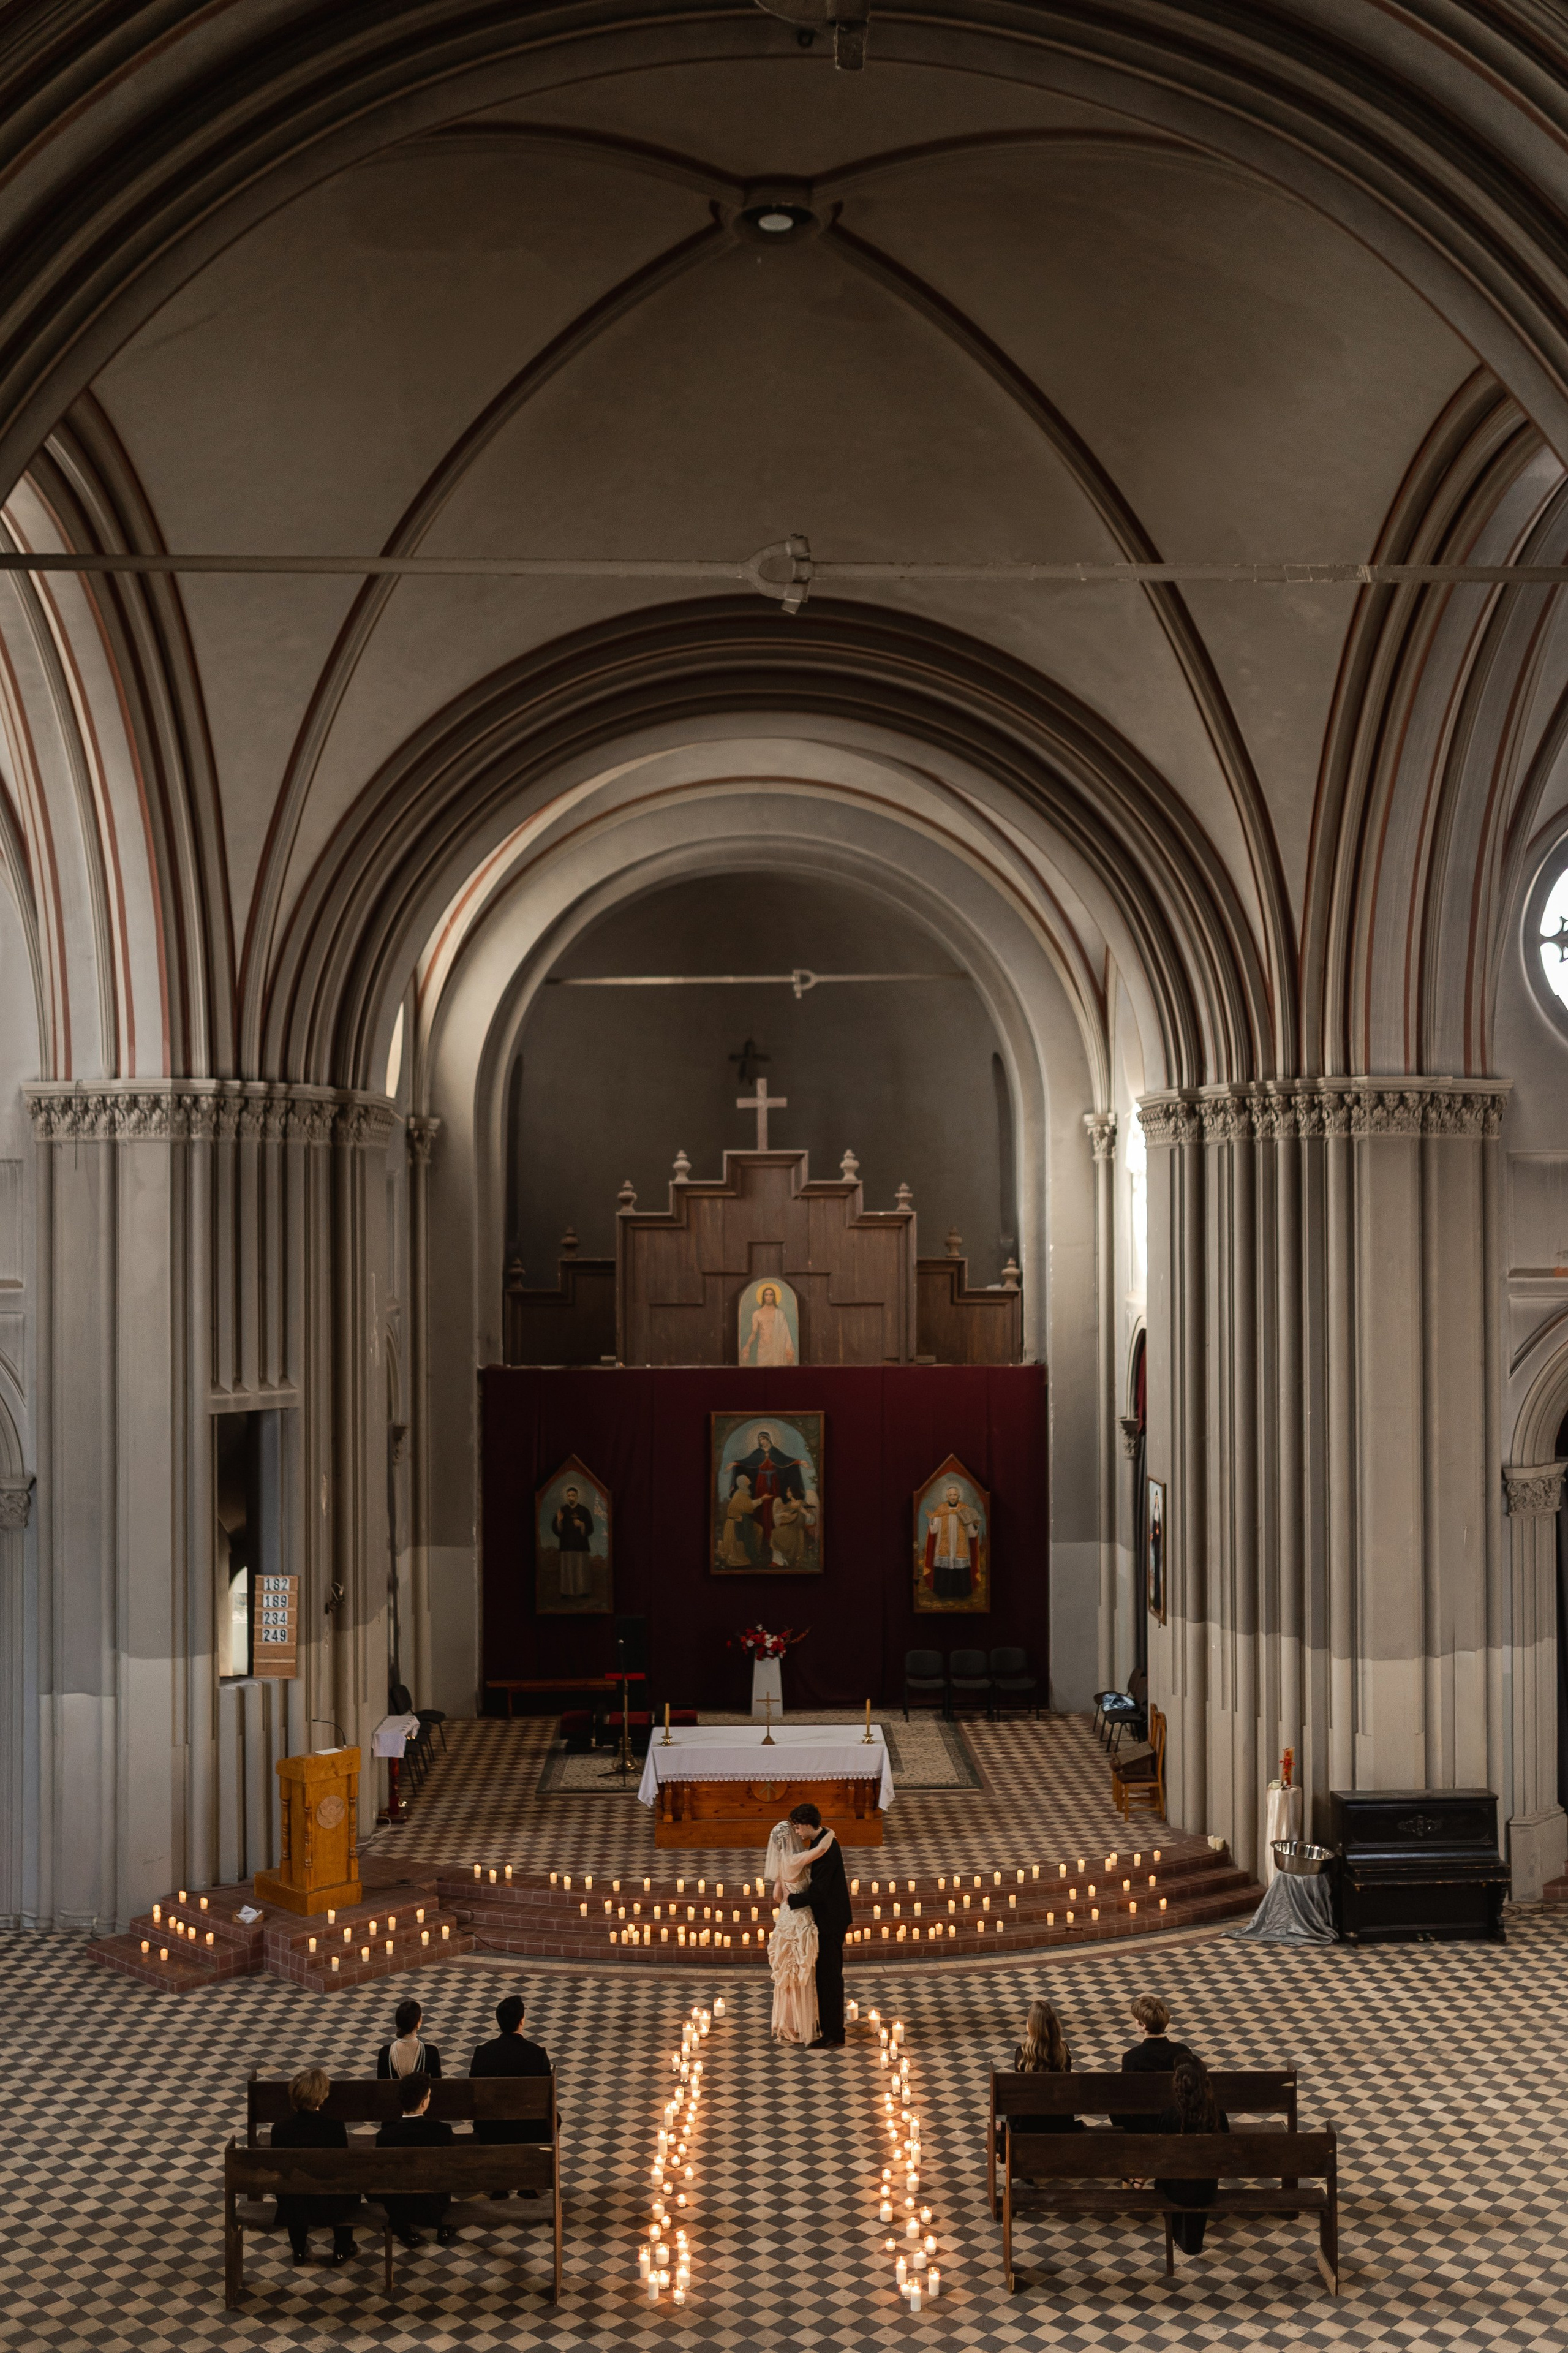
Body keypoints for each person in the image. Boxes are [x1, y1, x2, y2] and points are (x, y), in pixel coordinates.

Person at [270, 2066, 359, 2267]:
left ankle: (299, 2250)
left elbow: (281, 2171)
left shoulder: (280, 2130)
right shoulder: (335, 2128)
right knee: (345, 2186)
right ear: (322, 2096)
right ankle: (342, 2248)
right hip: (330, 2201)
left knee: (292, 2187)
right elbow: (341, 2168)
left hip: (294, 2202)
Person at [470, 1993, 556, 2197]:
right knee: (550, 2119)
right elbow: (547, 2098)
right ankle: (528, 2185)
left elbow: (475, 2095)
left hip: (491, 2129)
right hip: (529, 2130)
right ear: (522, 2021)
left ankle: (499, 2185)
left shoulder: (483, 2053)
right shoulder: (536, 2054)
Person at [783, 1801, 853, 2047]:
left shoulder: (825, 1849)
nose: (797, 1832)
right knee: (824, 1976)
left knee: (829, 1977)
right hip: (828, 1917)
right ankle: (825, 2025)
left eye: (798, 1827)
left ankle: (834, 2034)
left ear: (808, 1824)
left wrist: (790, 1899)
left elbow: (820, 1892)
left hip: (831, 1921)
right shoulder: (822, 1839)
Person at [764, 1815, 835, 2044]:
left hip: (785, 1921)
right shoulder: (794, 1860)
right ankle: (802, 2024)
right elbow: (821, 1850)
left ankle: (789, 2024)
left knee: (787, 1976)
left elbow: (777, 1896)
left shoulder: (783, 1863)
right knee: (802, 1974)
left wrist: (788, 1896)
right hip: (799, 1921)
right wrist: (830, 1832)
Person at [1153, 2057, 1229, 2253]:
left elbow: (1160, 2155)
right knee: (1199, 2175)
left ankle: (1182, 2238)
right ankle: (1191, 2242)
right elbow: (1225, 2152)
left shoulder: (1170, 2116)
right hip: (1207, 2188)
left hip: (1176, 2189)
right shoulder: (1217, 2114)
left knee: (1175, 2177)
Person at [375, 2074, 458, 2248]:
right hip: (434, 2205)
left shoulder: (386, 2136)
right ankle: (443, 2227)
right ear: (423, 2102)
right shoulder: (442, 2132)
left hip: (399, 2207)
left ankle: (403, 2227)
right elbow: (449, 2171)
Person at [998, 1999, 1084, 2152]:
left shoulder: (1023, 2055)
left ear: (1032, 2026)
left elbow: (1019, 2097)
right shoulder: (1064, 2052)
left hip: (1030, 2124)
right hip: (1060, 2122)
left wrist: (1007, 2126)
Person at [1116, 1993, 1199, 2131]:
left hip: (1145, 2124)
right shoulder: (1183, 2051)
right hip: (1178, 2121)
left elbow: (1127, 2097)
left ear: (1143, 2025)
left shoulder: (1132, 2057)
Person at [376, 1996, 442, 2080]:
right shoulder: (431, 2053)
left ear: (398, 2023)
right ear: (418, 2024)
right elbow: (438, 2087)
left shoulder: (385, 2053)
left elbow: (381, 2087)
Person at [553, 1482, 597, 1601]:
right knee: (567, 1570)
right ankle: (566, 1592)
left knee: (581, 1570)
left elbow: (591, 1528)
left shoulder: (584, 1510)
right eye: (569, 1496)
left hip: (581, 1546)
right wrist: (559, 1521)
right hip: (567, 1545)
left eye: (573, 1495)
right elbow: (557, 1530)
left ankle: (583, 1592)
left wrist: (582, 1525)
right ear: (567, 1497)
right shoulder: (562, 1510)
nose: (571, 1498)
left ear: (577, 1496)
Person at [742, 1283, 797, 1367]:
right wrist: (747, 1346)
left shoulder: (780, 1314)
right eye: (766, 1294)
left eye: (771, 1295)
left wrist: (788, 1350)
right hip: (763, 1349)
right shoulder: (757, 1314)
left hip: (777, 1349)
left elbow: (786, 1333)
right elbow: (754, 1333)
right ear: (763, 1297)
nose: (769, 1297)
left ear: (774, 1297)